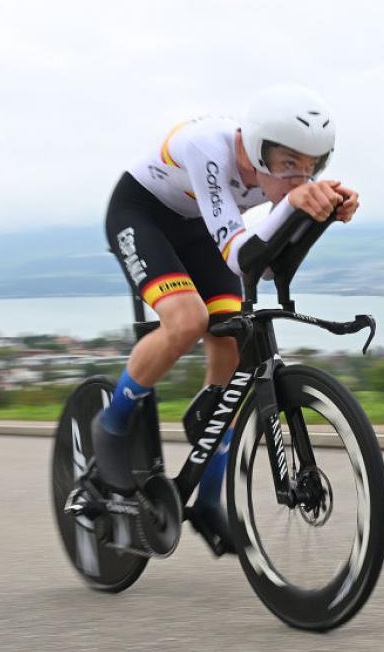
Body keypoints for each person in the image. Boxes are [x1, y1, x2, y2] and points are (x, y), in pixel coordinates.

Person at [95, 84, 359, 542]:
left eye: (312, 167)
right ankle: (112, 425)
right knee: (187, 321)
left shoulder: (281, 174)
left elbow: (269, 266)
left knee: (235, 343)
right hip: (143, 214)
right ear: (256, 151)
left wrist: (319, 218)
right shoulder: (208, 149)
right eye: (288, 164)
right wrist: (294, 206)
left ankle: (208, 500)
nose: (300, 179)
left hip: (199, 226)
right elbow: (240, 257)